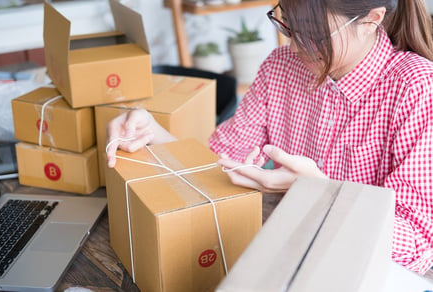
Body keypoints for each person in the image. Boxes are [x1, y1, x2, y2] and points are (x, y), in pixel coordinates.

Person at [106, 0, 433, 274]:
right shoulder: (280, 66)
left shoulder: (416, 88)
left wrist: (322, 192)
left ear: (372, 19)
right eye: (288, 25)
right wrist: (153, 133)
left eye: (315, 34)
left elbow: (417, 245)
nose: (296, 46)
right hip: (284, 254)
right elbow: (218, 164)